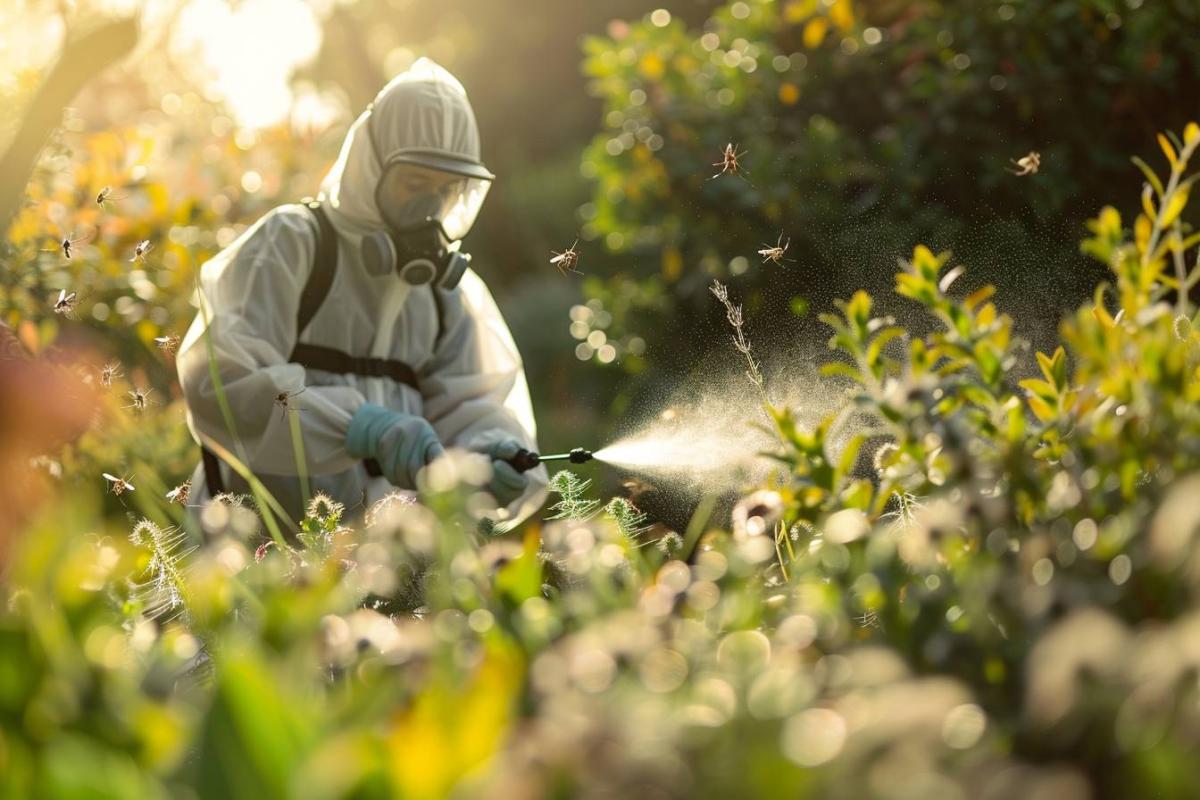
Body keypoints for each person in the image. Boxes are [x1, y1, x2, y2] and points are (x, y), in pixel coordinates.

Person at [176, 58, 548, 528]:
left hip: (385, 567)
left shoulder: (447, 293)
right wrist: (358, 426)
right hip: (256, 553)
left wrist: (488, 452)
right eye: (414, 184)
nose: (430, 206)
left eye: (447, 189)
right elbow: (224, 381)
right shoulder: (292, 244)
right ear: (371, 167)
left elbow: (472, 404)